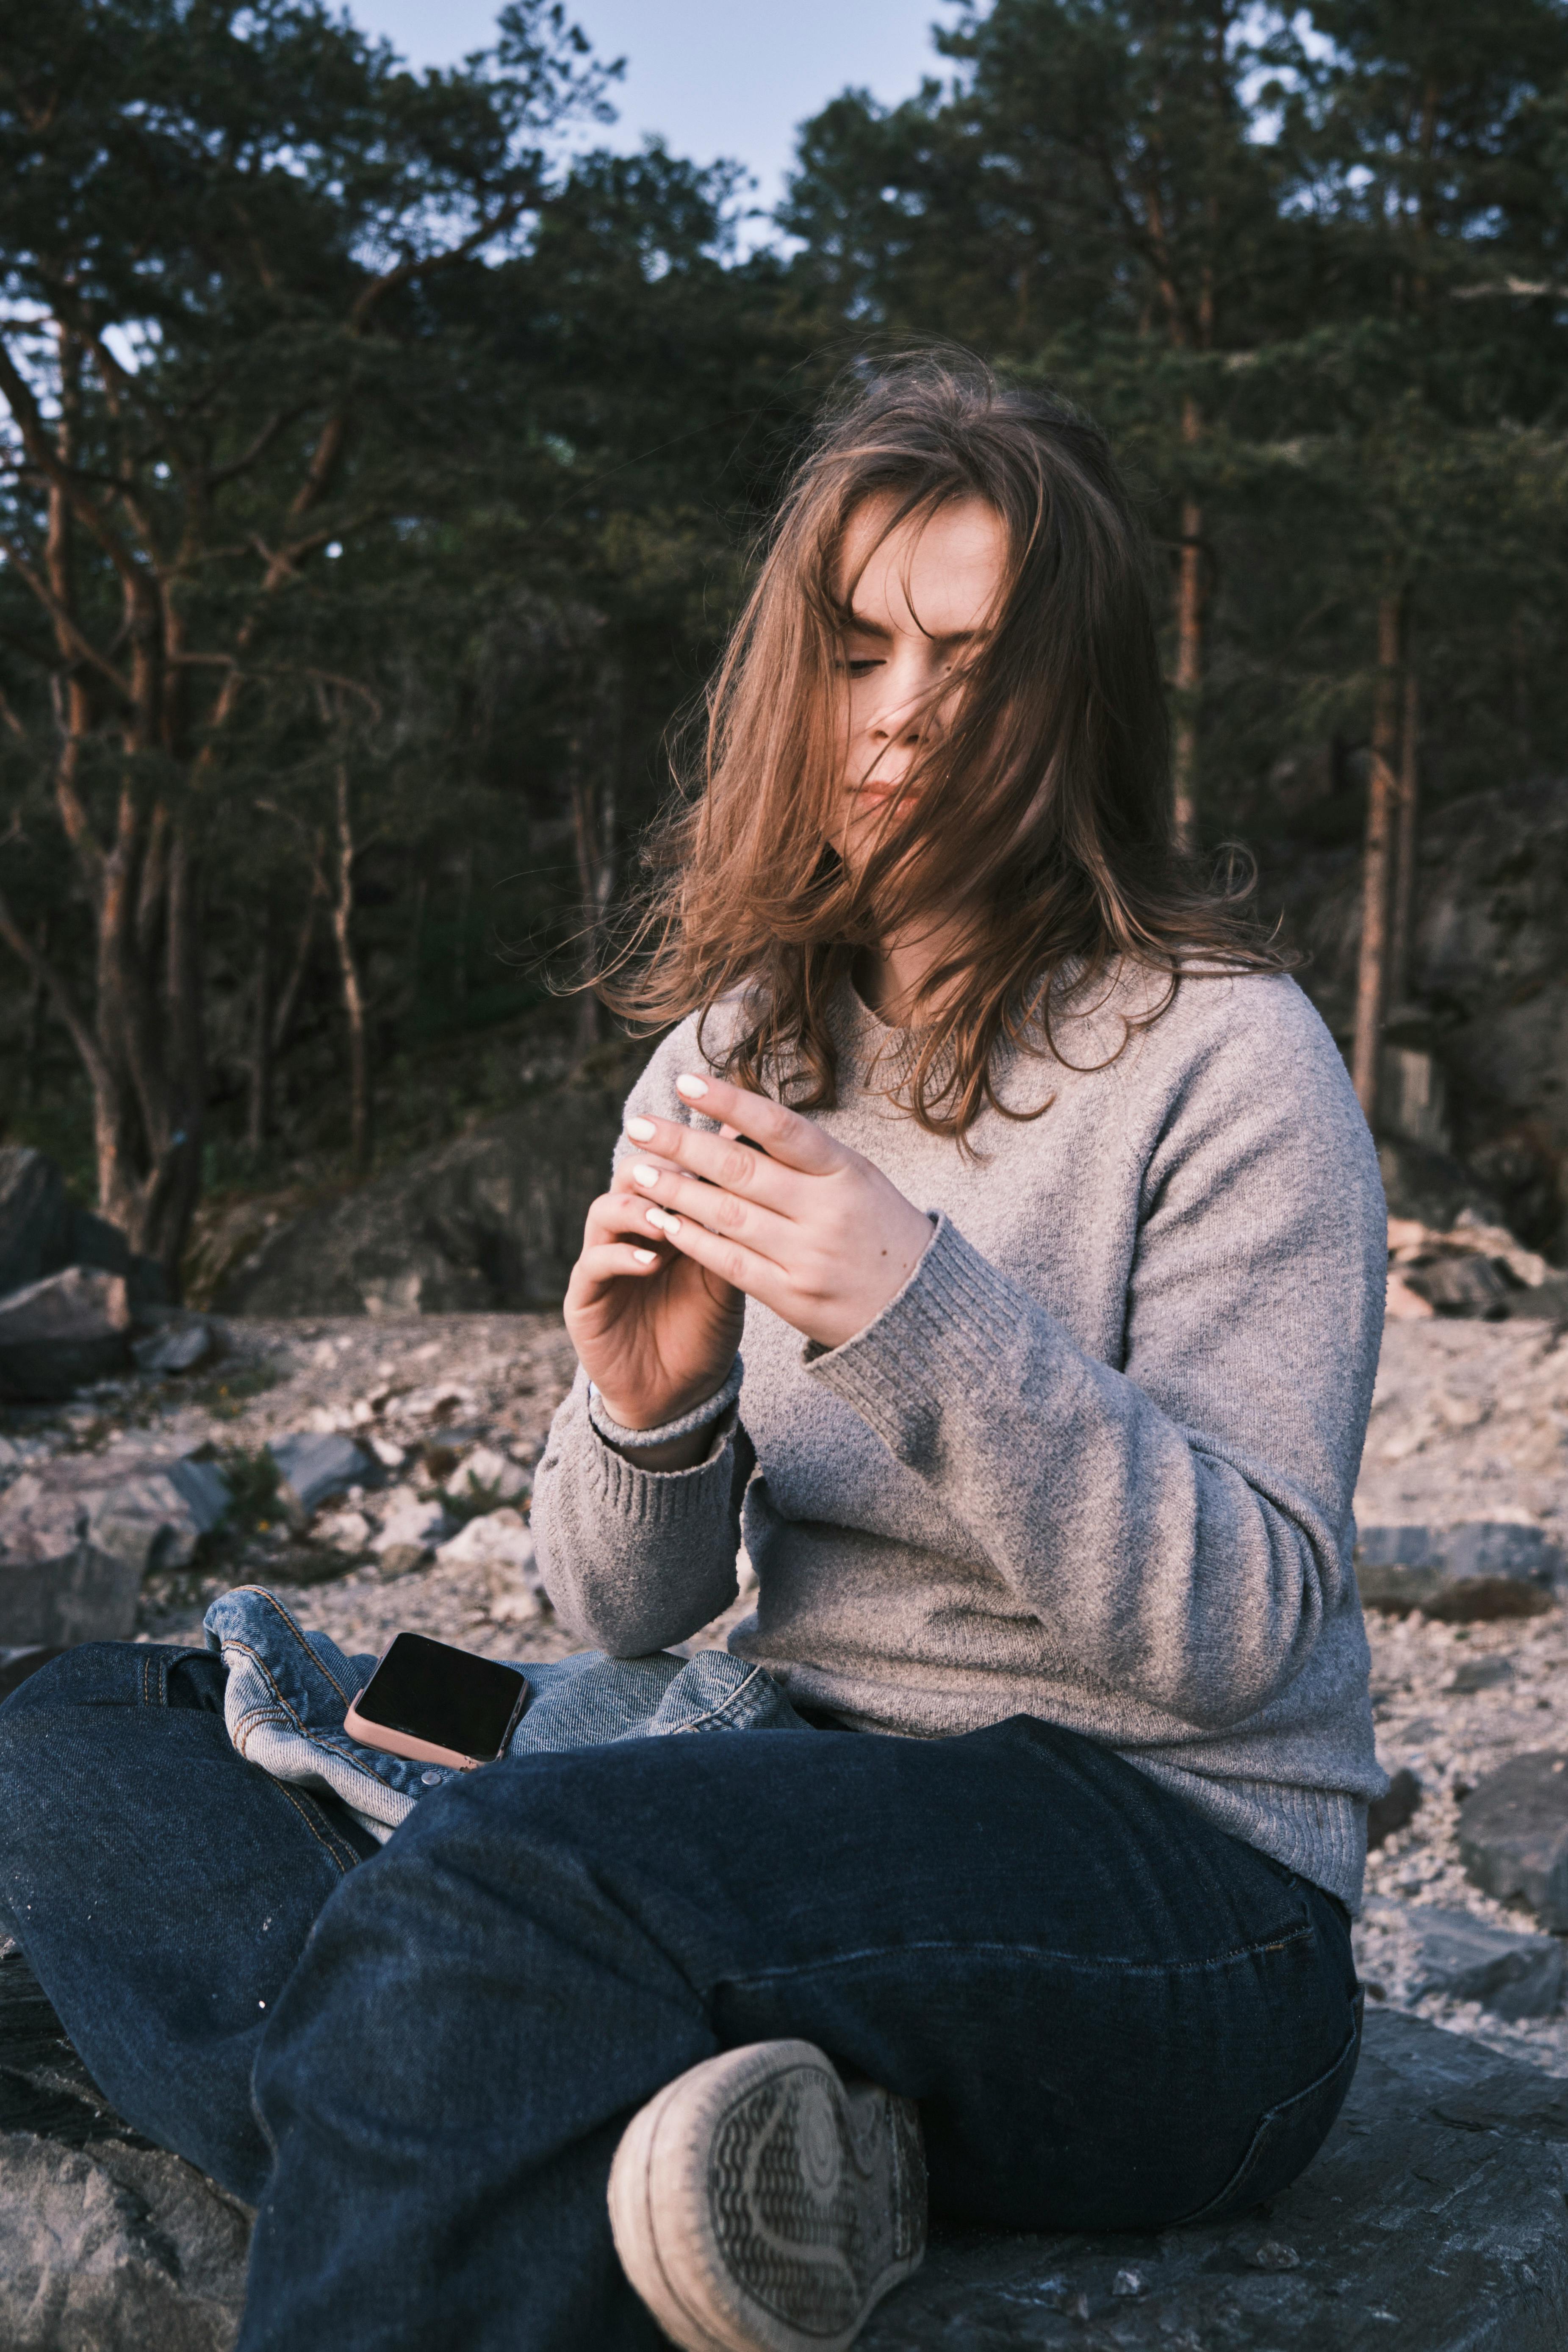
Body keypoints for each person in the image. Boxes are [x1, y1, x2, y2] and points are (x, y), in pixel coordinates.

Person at [0, 359, 1384, 2352]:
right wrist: (648, 1411)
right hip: (753, 1754)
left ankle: (545, 2091)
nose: (902, 712)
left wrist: (913, 1307)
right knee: (96, 1715)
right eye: (856, 648)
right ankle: (727, 2155)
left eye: (970, 659)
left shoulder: (1224, 1050)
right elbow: (615, 1609)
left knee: (509, 1874)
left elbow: (1243, 1629)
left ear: (1068, 702)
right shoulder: (736, 1046)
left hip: (1160, 1875)